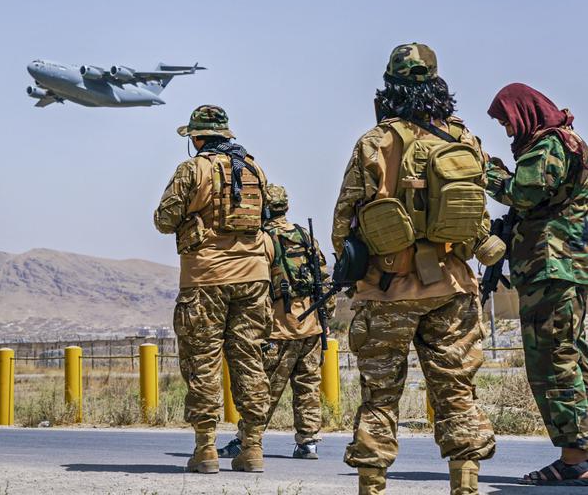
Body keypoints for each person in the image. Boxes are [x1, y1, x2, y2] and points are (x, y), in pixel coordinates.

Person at [332, 44, 499, 495]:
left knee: (380, 395)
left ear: (390, 83)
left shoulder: (375, 141)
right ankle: (465, 485)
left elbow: (345, 219)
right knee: (456, 391)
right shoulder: (464, 139)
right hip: (453, 286)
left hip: (389, 288)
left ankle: (372, 484)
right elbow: (478, 213)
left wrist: (351, 276)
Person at [153, 105, 273, 473]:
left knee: (202, 362)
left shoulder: (191, 170)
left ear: (197, 138)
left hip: (205, 279)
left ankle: (206, 449)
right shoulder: (254, 168)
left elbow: (164, 220)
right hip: (254, 277)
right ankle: (252, 448)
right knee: (250, 360)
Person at [485, 83, 588, 486]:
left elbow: (522, 192)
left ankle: (575, 458)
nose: (510, 133)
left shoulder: (551, 145)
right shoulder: (570, 140)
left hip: (552, 267)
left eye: (508, 123)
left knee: (553, 362)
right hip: (564, 267)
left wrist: (485, 170)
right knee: (572, 356)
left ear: (525, 111)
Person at [217, 183, 335, 460]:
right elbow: (323, 279)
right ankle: (308, 442)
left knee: (263, 387)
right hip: (312, 325)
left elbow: (253, 286)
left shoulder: (262, 239)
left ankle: (248, 438)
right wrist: (324, 318)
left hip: (278, 328)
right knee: (308, 387)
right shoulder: (304, 236)